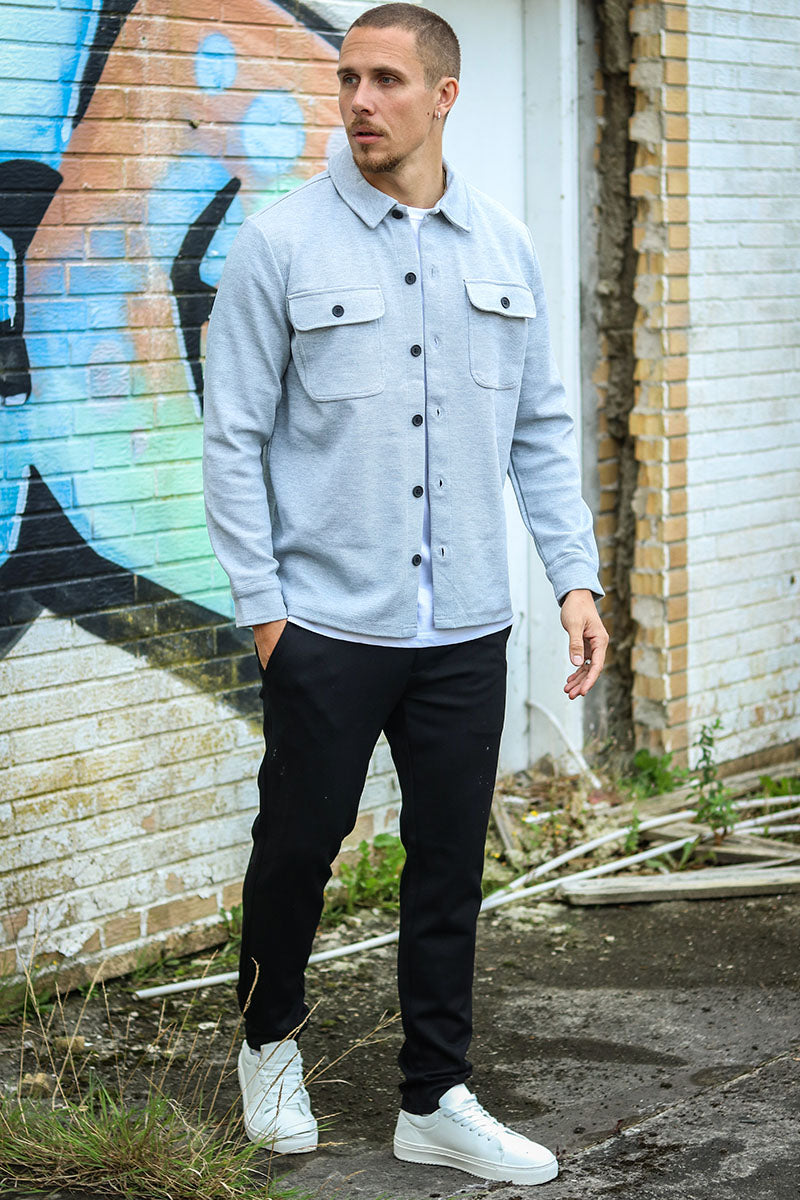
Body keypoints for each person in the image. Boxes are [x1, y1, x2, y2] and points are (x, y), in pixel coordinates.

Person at [202, 3, 608, 1186]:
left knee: (445, 871)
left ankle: (433, 1097)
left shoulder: (504, 248)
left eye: (385, 80)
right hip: (325, 626)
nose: (359, 102)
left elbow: (539, 431)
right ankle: (267, 1046)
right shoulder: (280, 244)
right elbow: (232, 439)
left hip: (465, 627)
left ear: (443, 95)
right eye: (347, 79)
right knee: (296, 850)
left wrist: (573, 578)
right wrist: (266, 615)